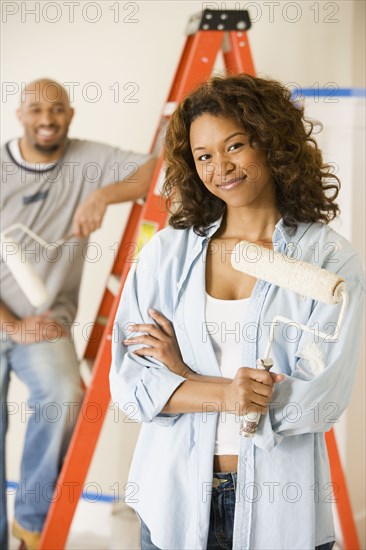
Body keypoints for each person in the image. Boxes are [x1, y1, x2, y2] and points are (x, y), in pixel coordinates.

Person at [109, 74, 365, 550]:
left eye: (235, 145)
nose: (220, 166)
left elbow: (318, 400)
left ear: (270, 142)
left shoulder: (329, 261)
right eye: (204, 156)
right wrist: (230, 393)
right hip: (172, 500)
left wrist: (183, 376)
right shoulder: (166, 254)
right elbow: (131, 385)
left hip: (280, 512)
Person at [0, 78, 156, 550]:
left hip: (48, 321)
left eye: (57, 110)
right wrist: (13, 325)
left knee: (65, 395)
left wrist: (103, 195)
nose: (46, 120)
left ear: (70, 114)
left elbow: (156, 170)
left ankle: (30, 524)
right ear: (19, 116)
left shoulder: (89, 159)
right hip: (7, 319)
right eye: (35, 110)